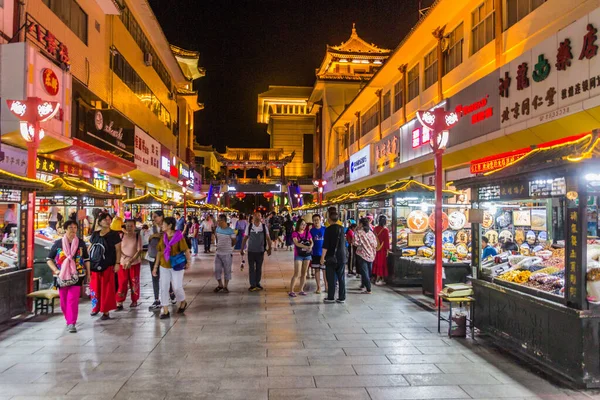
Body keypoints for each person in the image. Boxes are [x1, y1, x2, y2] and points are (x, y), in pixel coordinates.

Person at [46, 220, 91, 333]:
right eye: (70, 227)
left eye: (75, 227)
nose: (73, 230)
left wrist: (88, 274)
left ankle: (72, 322)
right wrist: (55, 270)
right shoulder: (58, 243)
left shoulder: (80, 243)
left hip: (77, 275)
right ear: (65, 229)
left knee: (73, 299)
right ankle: (68, 319)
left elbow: (86, 259)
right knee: (63, 301)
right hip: (61, 276)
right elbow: (49, 259)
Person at [153, 216, 191, 319]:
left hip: (177, 265)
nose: (162, 225)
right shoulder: (163, 236)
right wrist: (155, 266)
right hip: (164, 265)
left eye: (163, 224)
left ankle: (183, 301)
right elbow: (160, 252)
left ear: (170, 225)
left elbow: (186, 250)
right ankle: (165, 310)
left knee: (177, 287)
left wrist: (188, 261)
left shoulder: (178, 236)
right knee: (164, 287)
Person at [88, 212, 122, 320]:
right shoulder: (95, 234)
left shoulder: (114, 234)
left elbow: (118, 250)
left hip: (108, 265)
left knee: (106, 288)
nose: (107, 221)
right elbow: (90, 248)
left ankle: (105, 311)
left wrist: (117, 263)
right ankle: (95, 307)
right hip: (95, 265)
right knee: (95, 287)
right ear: (100, 221)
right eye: (105, 219)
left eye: (109, 219)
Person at [146, 211, 175, 310]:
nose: (154, 219)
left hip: (165, 256)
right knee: (155, 277)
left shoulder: (167, 227)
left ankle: (171, 292)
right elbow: (146, 240)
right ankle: (157, 299)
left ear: (161, 217)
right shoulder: (152, 229)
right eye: (153, 217)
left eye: (155, 217)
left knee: (166, 277)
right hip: (152, 255)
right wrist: (154, 236)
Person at [320, 210, 347, 303]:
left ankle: (331, 297)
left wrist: (322, 257)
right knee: (341, 278)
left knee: (331, 278)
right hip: (342, 257)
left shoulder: (328, 230)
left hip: (331, 257)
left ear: (329, 219)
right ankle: (342, 297)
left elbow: (325, 245)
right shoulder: (342, 229)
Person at [241, 211, 272, 291]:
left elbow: (268, 238)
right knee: (251, 268)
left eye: (259, 215)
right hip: (251, 251)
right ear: (253, 217)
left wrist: (270, 248)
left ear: (261, 217)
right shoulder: (249, 226)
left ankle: (257, 283)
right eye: (256, 215)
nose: (258, 216)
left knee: (259, 268)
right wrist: (242, 249)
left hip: (260, 251)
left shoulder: (264, 227)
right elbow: (245, 238)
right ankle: (252, 284)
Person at [116, 219, 142, 309]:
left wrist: (130, 261)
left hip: (134, 263)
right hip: (122, 263)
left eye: (131, 226)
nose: (129, 228)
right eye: (127, 226)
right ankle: (119, 301)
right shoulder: (121, 235)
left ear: (134, 226)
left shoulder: (137, 236)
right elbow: (118, 249)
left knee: (134, 281)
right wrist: (125, 259)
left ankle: (134, 300)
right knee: (122, 282)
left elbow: (139, 250)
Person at [289, 219, 313, 297]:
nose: (304, 226)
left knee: (304, 273)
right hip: (298, 255)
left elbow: (311, 241)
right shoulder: (295, 233)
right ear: (298, 225)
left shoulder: (307, 233)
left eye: (305, 224)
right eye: (302, 224)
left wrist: (311, 246)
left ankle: (301, 289)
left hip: (307, 255)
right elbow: (296, 243)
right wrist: (306, 246)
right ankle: (291, 290)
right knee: (297, 273)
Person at [354, 217, 378, 294]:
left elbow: (355, 243)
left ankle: (368, 288)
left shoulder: (359, 232)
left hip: (362, 254)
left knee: (364, 272)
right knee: (368, 271)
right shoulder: (371, 233)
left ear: (361, 224)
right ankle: (364, 285)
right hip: (371, 255)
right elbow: (375, 244)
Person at [213, 214, 236, 293]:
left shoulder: (230, 231)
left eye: (219, 220)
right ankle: (220, 285)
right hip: (218, 253)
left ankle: (226, 286)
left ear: (223, 221)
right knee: (217, 270)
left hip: (227, 253)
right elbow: (216, 238)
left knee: (227, 270)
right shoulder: (217, 229)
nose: (217, 222)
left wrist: (228, 247)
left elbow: (234, 241)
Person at [309, 214, 327, 294]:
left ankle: (326, 286)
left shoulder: (325, 229)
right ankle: (318, 287)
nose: (316, 222)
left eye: (317, 220)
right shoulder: (311, 231)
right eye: (314, 220)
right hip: (315, 253)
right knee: (316, 270)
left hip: (324, 253)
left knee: (324, 270)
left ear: (321, 220)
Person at [372, 215, 390, 286]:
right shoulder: (385, 230)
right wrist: (387, 250)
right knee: (381, 264)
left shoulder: (375, 229)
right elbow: (387, 241)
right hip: (382, 250)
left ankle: (376, 277)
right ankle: (378, 279)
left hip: (375, 248)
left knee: (376, 263)